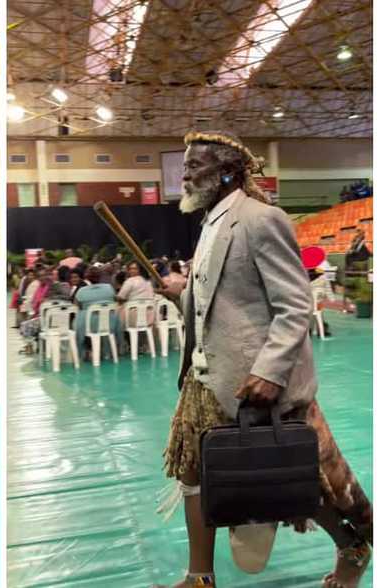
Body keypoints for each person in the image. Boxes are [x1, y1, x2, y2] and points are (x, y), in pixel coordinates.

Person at [154, 130, 370, 587]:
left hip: (254, 385)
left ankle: (353, 548)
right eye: (186, 165)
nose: (186, 174)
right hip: (204, 382)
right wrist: (181, 294)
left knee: (305, 482)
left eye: (196, 165)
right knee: (193, 473)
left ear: (228, 171)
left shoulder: (261, 219)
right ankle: (199, 576)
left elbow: (294, 304)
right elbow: (221, 305)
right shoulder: (211, 222)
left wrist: (270, 371)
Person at [74, 266, 119, 361]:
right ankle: (109, 350)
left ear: (87, 277)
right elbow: (115, 301)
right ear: (100, 276)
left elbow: (76, 306)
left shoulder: (81, 291)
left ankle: (83, 352)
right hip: (109, 323)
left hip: (89, 326)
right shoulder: (109, 288)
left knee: (79, 321)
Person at [116, 260, 155, 330]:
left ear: (140, 270)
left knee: (117, 307)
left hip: (134, 317)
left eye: (134, 269)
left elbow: (120, 297)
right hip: (149, 316)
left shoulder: (130, 281)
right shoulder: (148, 282)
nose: (132, 271)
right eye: (130, 269)